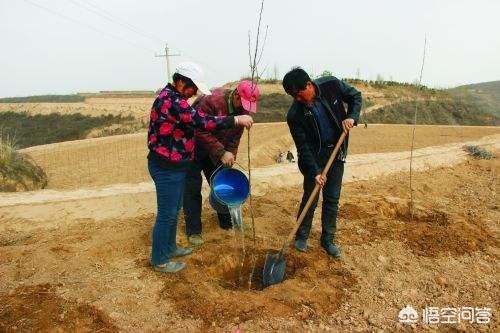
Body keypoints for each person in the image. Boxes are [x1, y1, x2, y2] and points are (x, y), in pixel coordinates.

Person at [147, 62, 253, 273]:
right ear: (179, 82)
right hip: (167, 167)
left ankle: (170, 247)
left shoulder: (176, 99)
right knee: (167, 214)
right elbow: (202, 121)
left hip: (176, 165)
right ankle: (160, 259)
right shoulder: (171, 101)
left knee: (174, 210)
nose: (195, 93)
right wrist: (235, 120)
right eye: (192, 88)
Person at [282, 67, 362, 258]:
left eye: (299, 94)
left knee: (332, 199)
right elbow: (303, 148)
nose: (297, 100)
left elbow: (356, 97)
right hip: (314, 158)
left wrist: (352, 116)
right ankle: (301, 236)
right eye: (293, 97)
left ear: (309, 84)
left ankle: (328, 240)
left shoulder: (331, 85)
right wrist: (315, 172)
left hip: (336, 152)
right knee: (310, 196)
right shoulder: (295, 115)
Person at [183, 80, 261, 246]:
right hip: (193, 150)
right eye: (245, 103)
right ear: (236, 96)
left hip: (215, 152)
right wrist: (221, 151)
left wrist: (230, 154)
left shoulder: (243, 113)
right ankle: (194, 231)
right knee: (192, 189)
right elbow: (198, 129)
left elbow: (235, 138)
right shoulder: (212, 100)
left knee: (223, 184)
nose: (246, 109)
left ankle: (227, 223)